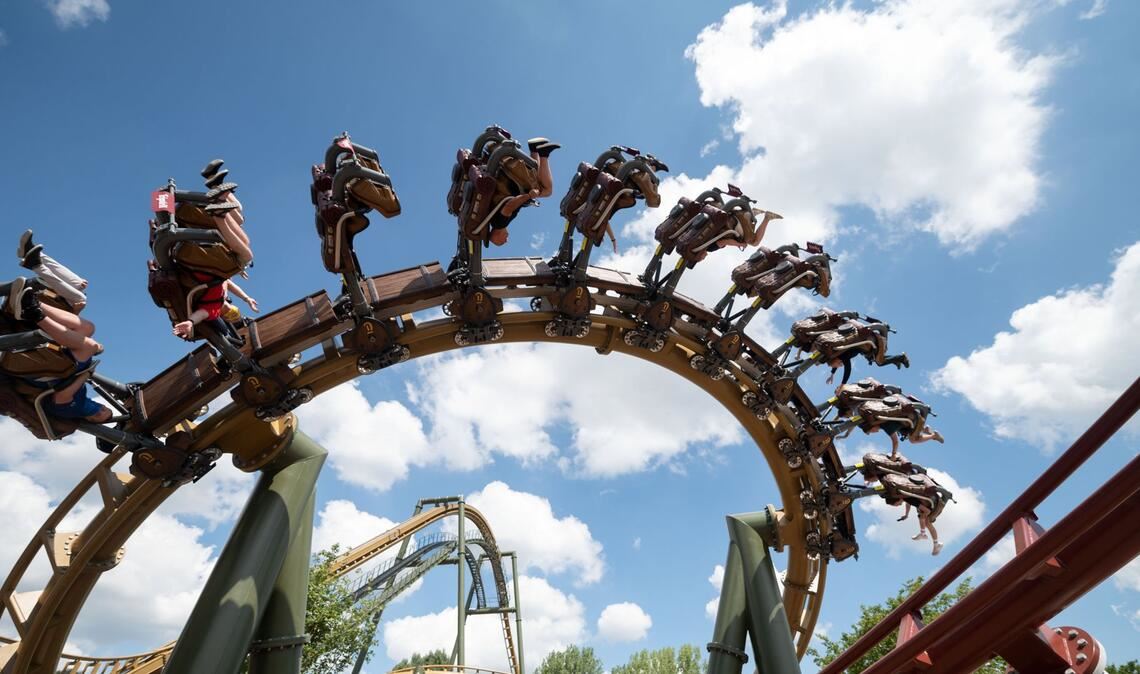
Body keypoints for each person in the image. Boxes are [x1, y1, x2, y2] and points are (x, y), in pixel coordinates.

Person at [6, 277, 111, 423]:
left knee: (90, 346)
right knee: (87, 328)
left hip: (47, 376)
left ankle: (34, 312)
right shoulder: (82, 398)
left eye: (99, 415)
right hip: (62, 370)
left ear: (90, 419)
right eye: (104, 409)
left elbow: (61, 396)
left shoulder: (73, 410)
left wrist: (86, 374)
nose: (100, 409)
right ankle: (33, 303)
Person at [486, 138, 559, 246]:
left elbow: (509, 206)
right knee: (538, 184)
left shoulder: (499, 223)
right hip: (510, 186)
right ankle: (534, 149)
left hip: (513, 186)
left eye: (501, 242)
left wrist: (529, 196)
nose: (507, 240)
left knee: (547, 190)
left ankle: (544, 154)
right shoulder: (493, 221)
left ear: (495, 237)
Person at [17, 230, 89, 311]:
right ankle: (35, 254)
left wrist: (77, 310)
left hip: (67, 308)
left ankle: (35, 265)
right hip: (66, 297)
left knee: (81, 299)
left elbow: (73, 319)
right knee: (78, 283)